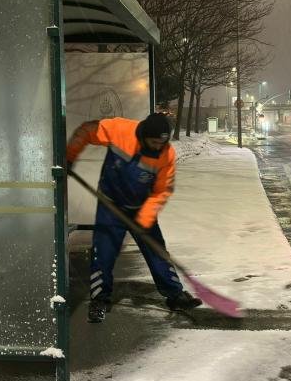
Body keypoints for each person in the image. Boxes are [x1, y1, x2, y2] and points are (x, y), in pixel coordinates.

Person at [66, 113, 202, 323]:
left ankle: (174, 295)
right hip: (110, 205)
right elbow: (86, 131)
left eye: (162, 142)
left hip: (141, 207)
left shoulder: (166, 154)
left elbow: (162, 190)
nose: (158, 147)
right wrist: (70, 156)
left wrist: (144, 218)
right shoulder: (120, 130)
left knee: (157, 251)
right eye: (155, 142)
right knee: (103, 253)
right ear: (145, 135)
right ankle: (100, 300)